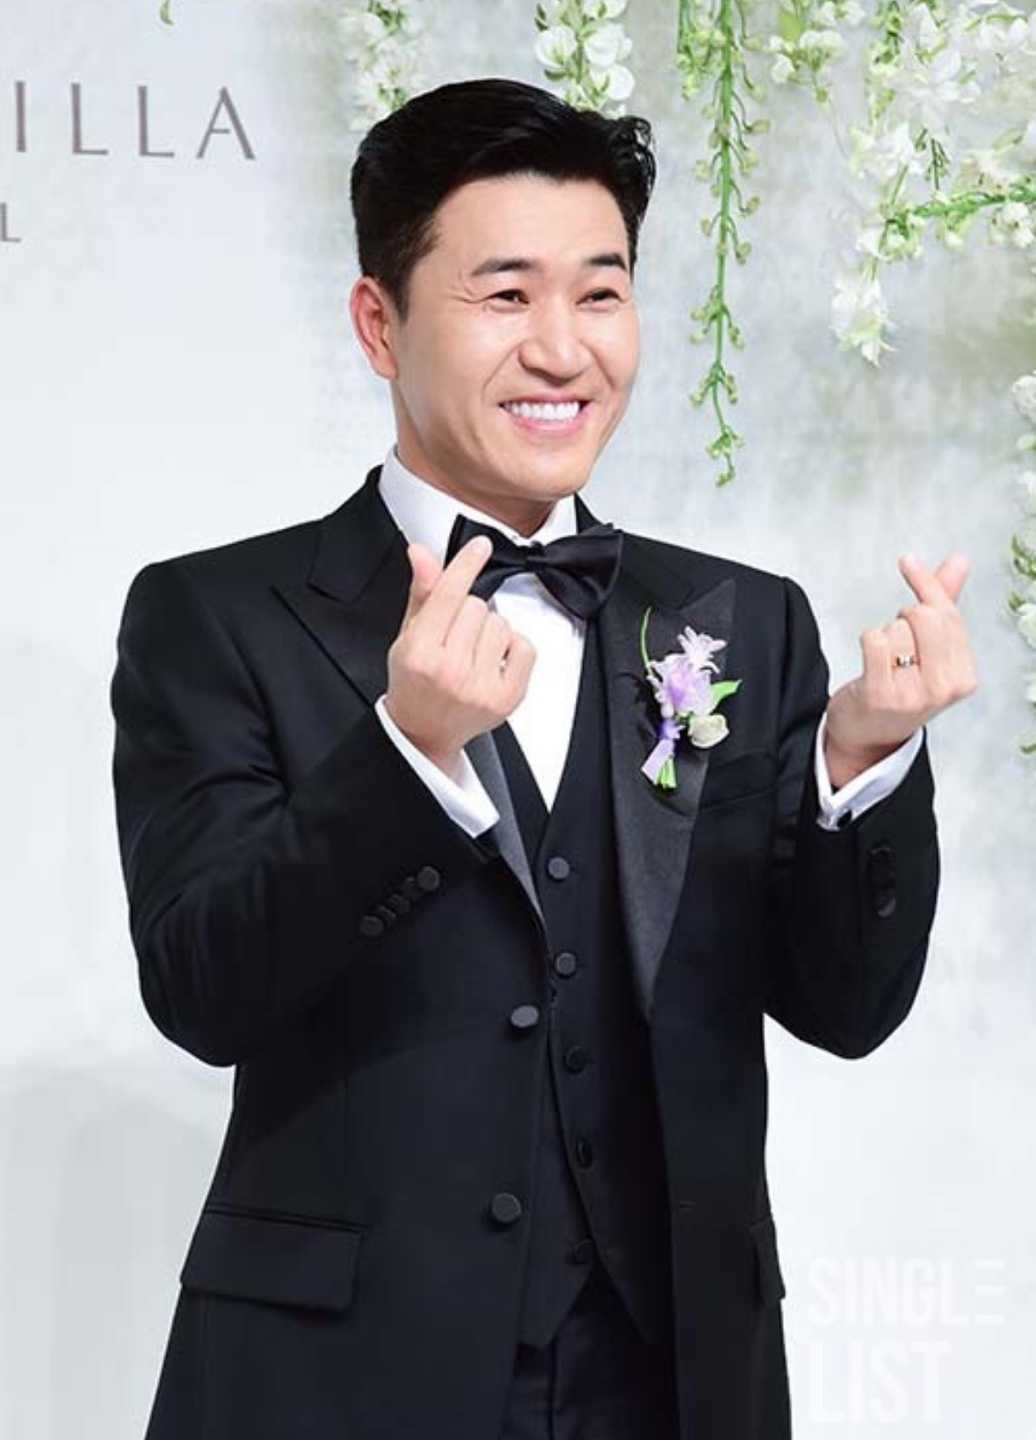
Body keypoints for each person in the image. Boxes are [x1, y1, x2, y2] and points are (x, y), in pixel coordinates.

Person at [109, 77, 977, 1440]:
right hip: (341, 1382)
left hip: (676, 1375)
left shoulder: (740, 623)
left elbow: (846, 1007)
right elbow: (202, 990)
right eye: (506, 295)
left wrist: (861, 761)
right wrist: (405, 752)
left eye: (601, 293)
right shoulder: (218, 616)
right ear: (379, 323)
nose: (563, 349)